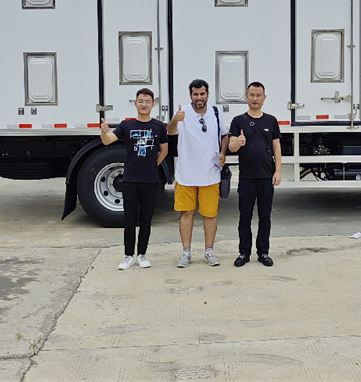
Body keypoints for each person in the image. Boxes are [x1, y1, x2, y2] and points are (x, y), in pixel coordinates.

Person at [100, 88, 168, 271]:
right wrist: (104, 132)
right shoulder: (127, 125)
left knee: (146, 220)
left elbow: (164, 150)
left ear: (153, 105)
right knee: (130, 220)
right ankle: (128, 256)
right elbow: (107, 141)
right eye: (140, 101)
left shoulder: (159, 126)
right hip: (130, 178)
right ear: (135, 103)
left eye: (147, 101)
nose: (144, 104)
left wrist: (153, 165)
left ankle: (142, 255)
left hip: (150, 180)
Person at [167, 79, 228, 267]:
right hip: (186, 173)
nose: (199, 97)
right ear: (190, 95)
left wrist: (223, 153)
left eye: (202, 94)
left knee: (210, 214)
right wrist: (175, 119)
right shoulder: (182, 113)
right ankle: (186, 252)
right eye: (195, 94)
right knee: (187, 212)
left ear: (207, 94)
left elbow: (224, 135)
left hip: (210, 173)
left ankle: (209, 251)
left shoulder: (215, 112)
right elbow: (170, 132)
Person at [227, 82, 282, 267]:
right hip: (247, 178)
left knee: (265, 216)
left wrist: (278, 171)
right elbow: (231, 147)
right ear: (246, 96)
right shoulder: (238, 121)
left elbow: (276, 147)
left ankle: (263, 252)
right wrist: (239, 142)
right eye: (252, 94)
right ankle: (244, 252)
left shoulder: (271, 120)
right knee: (245, 217)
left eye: (259, 95)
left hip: (266, 177)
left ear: (264, 98)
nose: (255, 98)